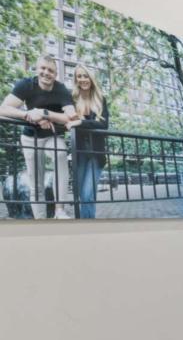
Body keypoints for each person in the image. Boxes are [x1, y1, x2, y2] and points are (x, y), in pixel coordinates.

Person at [0, 55, 77, 219]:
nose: (46, 73)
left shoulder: (61, 89)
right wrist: (28, 114)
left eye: (50, 70)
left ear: (55, 74)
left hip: (52, 136)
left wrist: (45, 114)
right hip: (30, 137)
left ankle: (60, 210)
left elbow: (71, 117)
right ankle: (40, 220)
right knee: (36, 182)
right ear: (37, 69)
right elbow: (3, 109)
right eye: (43, 68)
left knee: (61, 153)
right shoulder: (26, 85)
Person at [66, 65, 108, 219]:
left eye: (86, 76)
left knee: (87, 195)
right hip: (79, 153)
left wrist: (81, 123)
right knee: (79, 194)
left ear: (91, 78)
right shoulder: (72, 99)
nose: (83, 79)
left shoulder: (100, 99)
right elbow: (67, 120)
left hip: (96, 154)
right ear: (76, 79)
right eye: (79, 76)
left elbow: (104, 125)